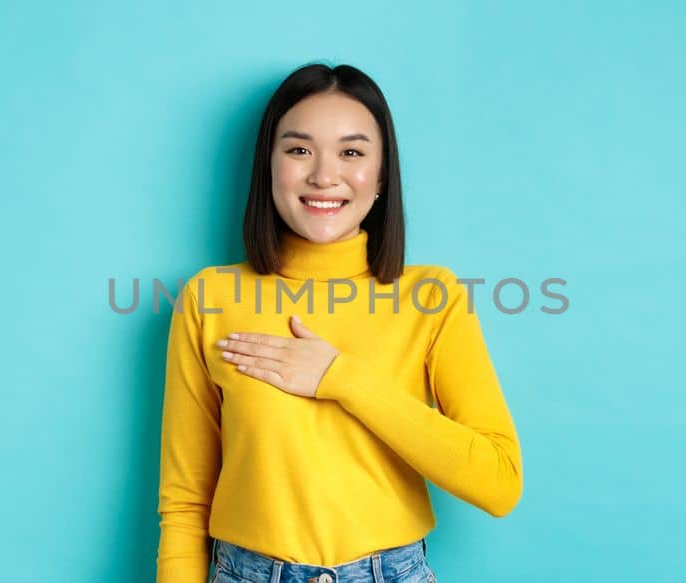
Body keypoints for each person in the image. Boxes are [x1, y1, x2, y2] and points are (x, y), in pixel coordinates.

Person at [156, 62, 523, 583]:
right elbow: (186, 501)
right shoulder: (209, 297)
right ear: (269, 166)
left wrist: (343, 379)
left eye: (351, 152)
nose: (324, 175)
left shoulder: (432, 297)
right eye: (299, 149)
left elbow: (499, 481)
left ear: (380, 176)